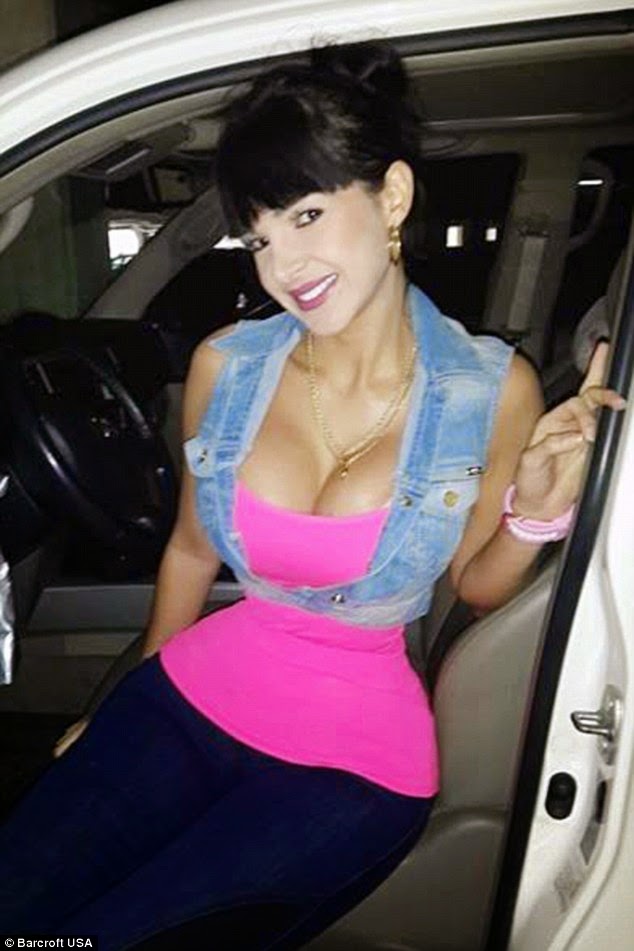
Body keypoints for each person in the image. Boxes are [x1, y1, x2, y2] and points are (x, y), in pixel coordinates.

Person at [0, 39, 626, 950]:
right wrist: (125, 698)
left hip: (354, 765)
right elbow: (190, 549)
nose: (282, 265)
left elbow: (479, 586)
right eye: (259, 235)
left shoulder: (491, 390)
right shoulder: (228, 367)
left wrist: (537, 510)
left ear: (393, 197)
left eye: (306, 214)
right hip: (189, 697)